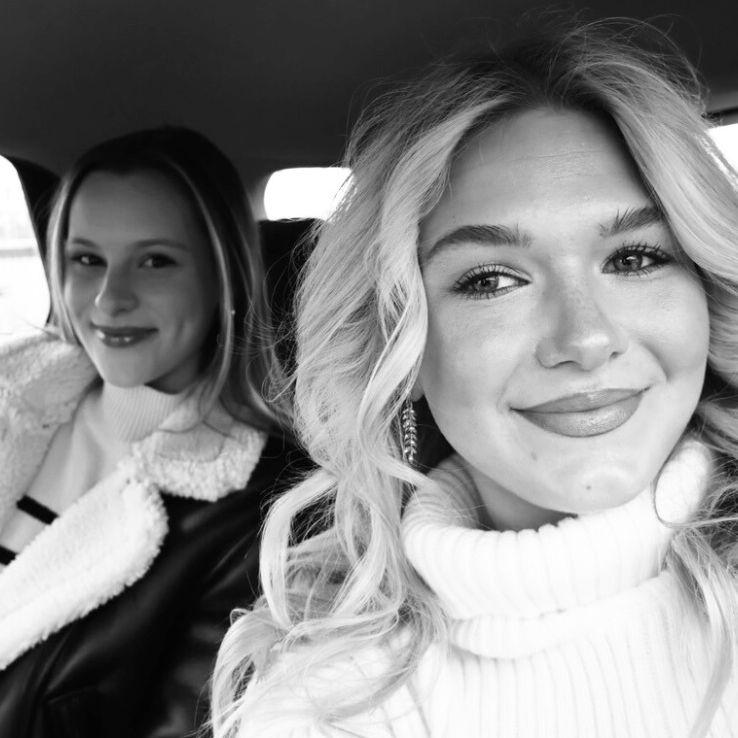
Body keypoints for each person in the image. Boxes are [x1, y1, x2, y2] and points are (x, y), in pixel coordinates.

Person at [211, 20, 738, 738]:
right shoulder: (324, 702)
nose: (585, 340)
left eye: (635, 258)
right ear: (401, 349)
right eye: (492, 280)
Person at [0, 127, 298, 737]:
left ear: (223, 277)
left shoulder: (261, 513)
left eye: (155, 261)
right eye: (87, 260)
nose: (110, 300)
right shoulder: (13, 394)